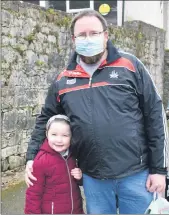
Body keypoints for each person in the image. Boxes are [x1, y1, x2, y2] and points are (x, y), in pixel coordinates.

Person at [25, 9, 169, 214]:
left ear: (106, 35)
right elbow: (45, 119)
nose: (88, 38)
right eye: (82, 35)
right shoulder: (63, 79)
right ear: (74, 40)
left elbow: (155, 116)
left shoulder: (130, 66)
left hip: (137, 176)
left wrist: (159, 170)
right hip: (94, 179)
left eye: (94, 33)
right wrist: (31, 157)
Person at [24, 115, 84, 214]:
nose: (59, 140)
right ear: (46, 134)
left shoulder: (73, 156)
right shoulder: (41, 161)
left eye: (65, 135)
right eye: (54, 134)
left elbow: (79, 183)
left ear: (71, 136)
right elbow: (33, 195)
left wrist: (80, 177)